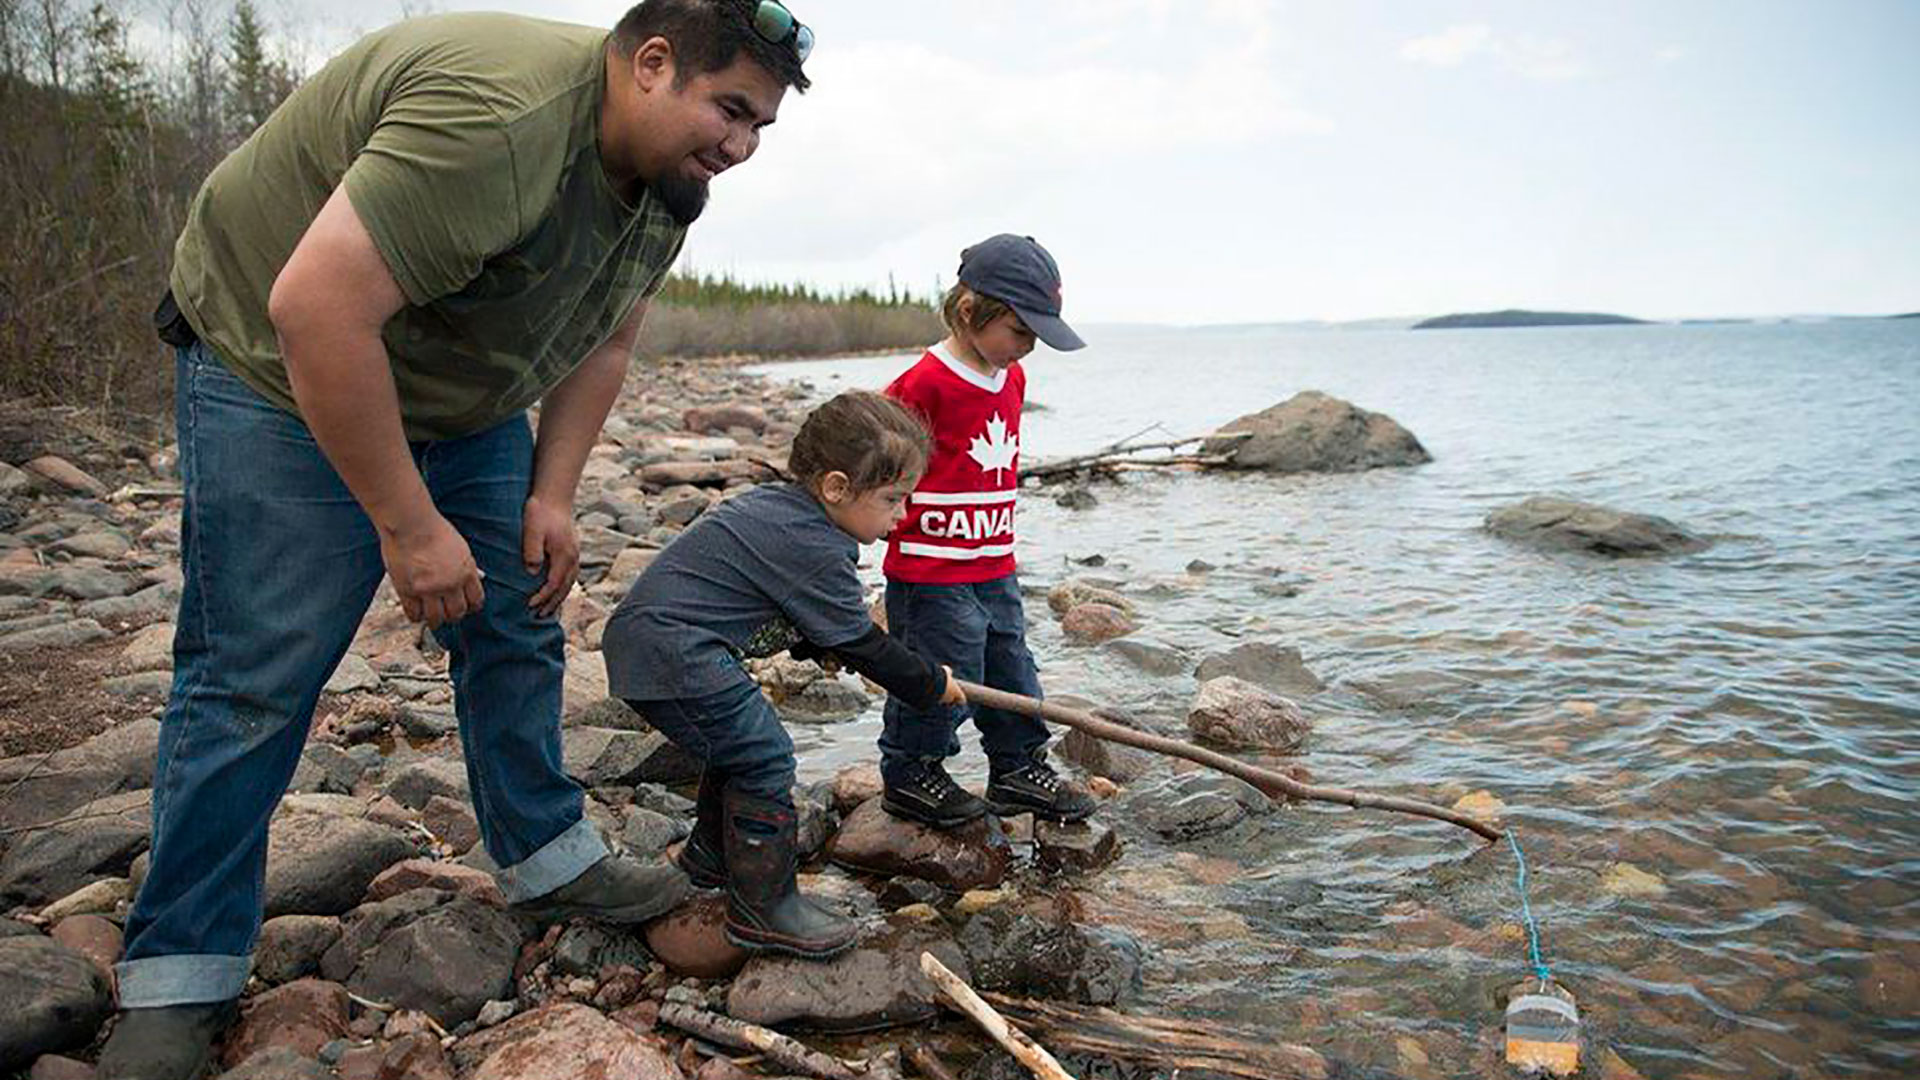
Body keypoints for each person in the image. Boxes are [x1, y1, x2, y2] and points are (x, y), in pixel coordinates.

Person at [100, 2, 813, 1075]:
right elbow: (316, 310)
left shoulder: (671, 183)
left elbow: (605, 337)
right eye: (731, 111)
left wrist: (553, 494)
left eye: (761, 126)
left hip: (460, 384)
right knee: (254, 672)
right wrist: (407, 524)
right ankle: (181, 969)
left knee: (521, 613)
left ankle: (546, 851)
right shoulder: (502, 116)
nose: (741, 146)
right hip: (276, 359)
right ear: (652, 63)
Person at [603, 391, 965, 959]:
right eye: (894, 499)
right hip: (674, 651)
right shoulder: (817, 545)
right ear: (837, 487)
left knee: (736, 748)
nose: (903, 514)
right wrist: (929, 683)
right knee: (764, 755)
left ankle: (710, 858)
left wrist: (811, 640)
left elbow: (785, 609)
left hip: (655, 642)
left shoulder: (782, 509)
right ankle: (763, 908)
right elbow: (862, 644)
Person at [876, 235, 1099, 828]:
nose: (1027, 349)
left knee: (1010, 665)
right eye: (1021, 332)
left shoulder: (1011, 379)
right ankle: (910, 770)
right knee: (939, 672)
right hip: (931, 568)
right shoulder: (925, 382)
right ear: (972, 312)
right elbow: (873, 446)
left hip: (993, 560)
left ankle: (1017, 766)